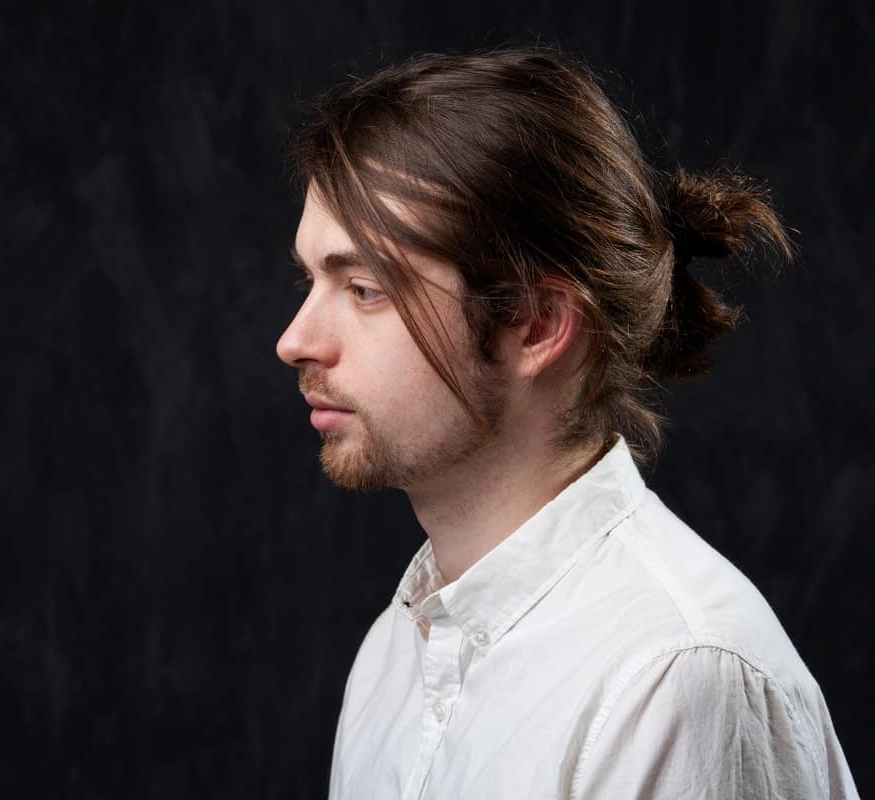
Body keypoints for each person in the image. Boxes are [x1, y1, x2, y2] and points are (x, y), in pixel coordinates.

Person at [275, 46, 859, 800]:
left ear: (537, 325)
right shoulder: (399, 647)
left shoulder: (674, 678)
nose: (295, 340)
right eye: (310, 279)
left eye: (362, 288)